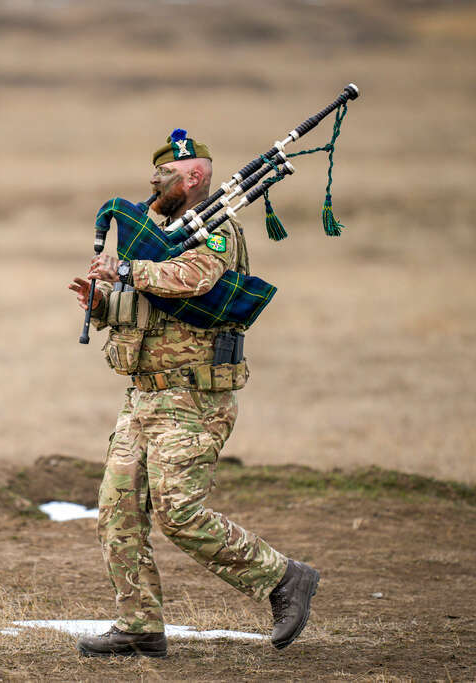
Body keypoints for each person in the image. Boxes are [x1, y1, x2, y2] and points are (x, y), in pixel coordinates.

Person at [67, 130, 319, 657]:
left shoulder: (217, 230)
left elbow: (195, 281)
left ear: (194, 176)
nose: (154, 187)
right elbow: (142, 311)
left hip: (193, 400)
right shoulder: (161, 239)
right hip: (142, 399)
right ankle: (139, 625)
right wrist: (99, 302)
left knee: (178, 512)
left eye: (163, 177)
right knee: (117, 511)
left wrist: (128, 268)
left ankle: (282, 578)